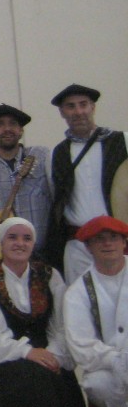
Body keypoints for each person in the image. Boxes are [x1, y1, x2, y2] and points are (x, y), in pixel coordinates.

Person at [0, 217, 93, 407]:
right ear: (2, 243)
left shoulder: (50, 276)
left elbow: (61, 325)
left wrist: (53, 354)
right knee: (28, 373)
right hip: (6, 357)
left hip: (48, 352)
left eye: (26, 238)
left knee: (44, 371)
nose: (20, 243)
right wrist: (27, 352)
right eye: (12, 238)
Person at [47, 84, 127, 284]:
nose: (78, 112)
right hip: (78, 244)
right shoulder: (60, 153)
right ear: (62, 112)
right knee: (81, 300)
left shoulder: (121, 142)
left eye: (83, 105)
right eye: (71, 106)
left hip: (117, 241)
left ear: (93, 107)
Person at [62, 216, 128, 407]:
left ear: (124, 243)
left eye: (113, 238)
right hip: (105, 365)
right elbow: (81, 344)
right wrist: (117, 360)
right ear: (89, 247)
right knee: (96, 384)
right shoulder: (77, 292)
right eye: (99, 240)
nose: (107, 244)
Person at [0, 104, 52, 262]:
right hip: (0, 258)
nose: (7, 128)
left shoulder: (42, 157)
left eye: (13, 123)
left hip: (43, 256)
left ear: (21, 130)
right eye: (0, 124)